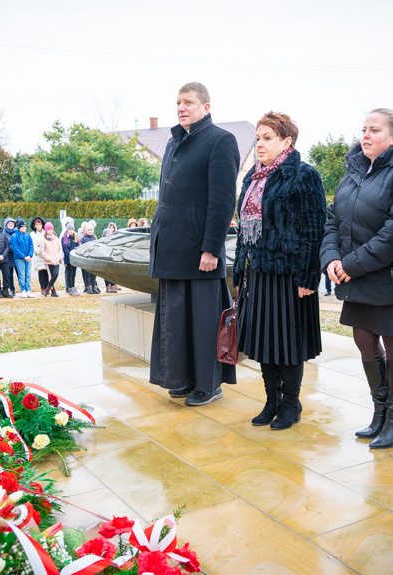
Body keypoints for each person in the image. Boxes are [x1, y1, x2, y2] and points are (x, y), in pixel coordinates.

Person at [321, 108, 393, 448]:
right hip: (355, 277)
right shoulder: (353, 172)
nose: (366, 135)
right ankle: (380, 412)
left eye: (374, 130)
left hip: (388, 277)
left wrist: (350, 265)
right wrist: (331, 258)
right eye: (364, 129)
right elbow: (332, 220)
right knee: (364, 341)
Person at [148, 81, 239, 406]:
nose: (182, 108)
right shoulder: (174, 142)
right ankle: (182, 378)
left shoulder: (220, 141)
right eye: (178, 103)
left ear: (206, 107)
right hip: (172, 247)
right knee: (176, 319)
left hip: (201, 250)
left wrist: (211, 248)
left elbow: (223, 199)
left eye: (188, 102)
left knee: (203, 322)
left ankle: (208, 385)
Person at [233, 111, 325, 430]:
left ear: (286, 141)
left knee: (287, 343)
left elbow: (315, 230)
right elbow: (243, 228)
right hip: (258, 272)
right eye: (258, 137)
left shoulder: (303, 175)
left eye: (267, 137)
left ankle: (291, 403)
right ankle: (271, 400)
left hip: (290, 275)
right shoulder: (252, 178)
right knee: (263, 341)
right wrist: (239, 271)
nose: (260, 143)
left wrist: (308, 277)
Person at [10, 218, 34, 298]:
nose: (24, 228)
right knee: (22, 275)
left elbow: (31, 246)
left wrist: (30, 255)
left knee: (28, 274)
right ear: (19, 227)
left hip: (28, 258)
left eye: (25, 226)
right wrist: (23, 256)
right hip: (19, 259)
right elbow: (15, 248)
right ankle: (23, 290)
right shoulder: (14, 236)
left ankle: (28, 290)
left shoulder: (28, 235)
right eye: (22, 226)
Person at [39, 222, 64, 297]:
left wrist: (59, 257)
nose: (50, 231)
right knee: (50, 276)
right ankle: (53, 291)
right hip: (48, 262)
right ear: (46, 230)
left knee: (55, 275)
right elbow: (41, 251)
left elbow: (60, 249)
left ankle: (47, 289)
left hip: (56, 260)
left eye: (51, 229)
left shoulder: (56, 239)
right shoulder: (43, 239)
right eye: (48, 229)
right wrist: (48, 258)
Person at [61, 217, 81, 296]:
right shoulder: (65, 238)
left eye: (72, 229)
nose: (71, 231)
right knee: (69, 273)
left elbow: (77, 247)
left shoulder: (75, 238)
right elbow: (65, 248)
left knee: (74, 274)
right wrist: (70, 255)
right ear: (67, 230)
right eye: (69, 229)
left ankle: (73, 286)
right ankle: (70, 288)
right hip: (68, 259)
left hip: (74, 259)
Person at [80, 221, 100, 294]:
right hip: (87, 259)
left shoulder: (94, 238)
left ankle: (94, 286)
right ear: (86, 231)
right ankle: (89, 287)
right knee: (88, 274)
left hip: (93, 259)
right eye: (88, 230)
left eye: (91, 230)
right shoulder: (83, 239)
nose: (90, 231)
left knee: (93, 274)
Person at [30, 216, 48, 294]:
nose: (38, 226)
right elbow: (34, 246)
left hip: (47, 255)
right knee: (41, 272)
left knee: (47, 272)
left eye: (39, 224)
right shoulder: (32, 234)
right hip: (38, 255)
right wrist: (41, 252)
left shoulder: (46, 232)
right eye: (36, 225)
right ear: (34, 226)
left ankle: (48, 287)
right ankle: (42, 288)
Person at [101, 222, 120, 292]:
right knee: (106, 273)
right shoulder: (103, 241)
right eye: (107, 233)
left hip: (112, 259)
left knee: (112, 273)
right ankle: (108, 286)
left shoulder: (114, 240)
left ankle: (112, 285)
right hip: (106, 259)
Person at [3, 217, 18, 297]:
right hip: (8, 257)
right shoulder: (4, 233)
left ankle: (24, 289)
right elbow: (6, 245)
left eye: (12, 223)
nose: (11, 225)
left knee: (20, 274)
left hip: (18, 256)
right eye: (9, 223)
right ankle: (12, 289)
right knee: (9, 275)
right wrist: (14, 247)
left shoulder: (17, 232)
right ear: (6, 225)